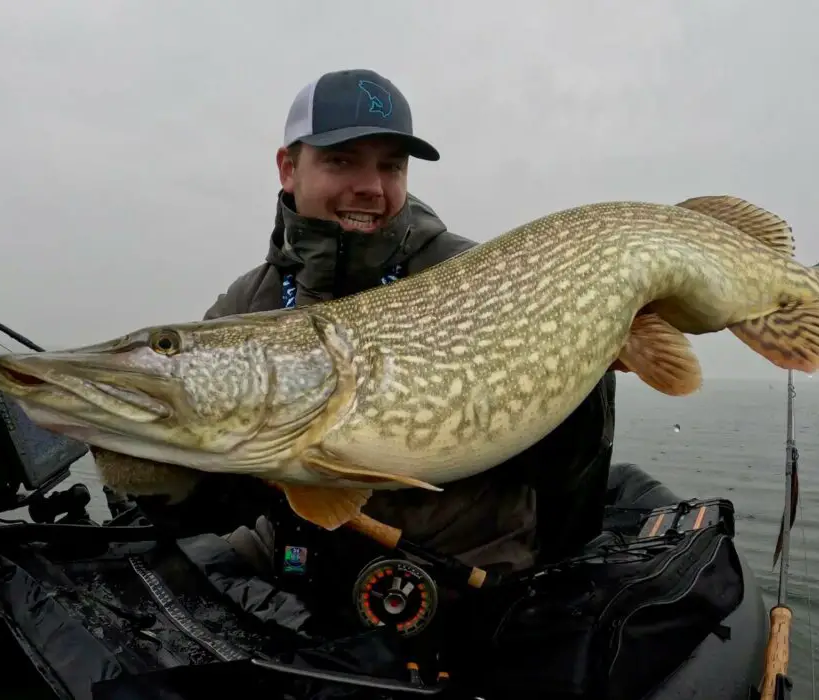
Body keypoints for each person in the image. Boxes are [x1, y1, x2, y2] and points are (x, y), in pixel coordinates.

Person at [135, 68, 619, 578]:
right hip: (298, 575)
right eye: (341, 160)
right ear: (288, 167)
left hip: (464, 579)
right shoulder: (247, 302)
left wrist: (589, 365)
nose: (370, 187)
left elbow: (563, 472)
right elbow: (209, 513)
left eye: (391, 166)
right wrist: (159, 475)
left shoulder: (480, 279)